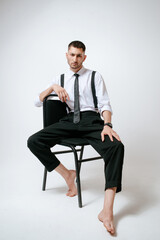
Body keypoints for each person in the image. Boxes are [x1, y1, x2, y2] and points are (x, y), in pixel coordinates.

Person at [27, 40, 124, 235]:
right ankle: (68, 175)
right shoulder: (60, 78)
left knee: (117, 147)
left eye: (79, 55)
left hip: (90, 120)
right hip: (69, 121)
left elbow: (105, 104)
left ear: (84, 57)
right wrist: (53, 87)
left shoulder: (95, 76)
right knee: (34, 141)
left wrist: (107, 125)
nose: (75, 59)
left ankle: (107, 209)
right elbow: (37, 101)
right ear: (67, 55)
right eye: (72, 55)